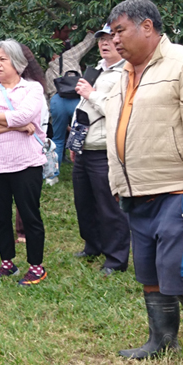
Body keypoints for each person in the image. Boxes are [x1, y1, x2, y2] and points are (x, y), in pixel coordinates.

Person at [103, 0, 183, 365]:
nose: (115, 40)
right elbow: (117, 130)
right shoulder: (119, 76)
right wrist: (117, 180)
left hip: (180, 188)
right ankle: (161, 339)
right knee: (149, 270)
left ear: (147, 27)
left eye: (120, 31)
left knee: (180, 269)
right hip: (136, 191)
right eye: (112, 33)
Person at [0, 39, 48, 285]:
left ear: (17, 62)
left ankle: (36, 266)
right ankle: (7, 263)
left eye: (3, 59)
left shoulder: (33, 89)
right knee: (1, 216)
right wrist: (14, 124)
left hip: (26, 163)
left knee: (29, 214)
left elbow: (25, 115)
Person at [71, 25, 130, 276]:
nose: (105, 43)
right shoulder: (96, 69)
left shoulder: (126, 73)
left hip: (104, 149)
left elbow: (119, 111)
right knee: (84, 202)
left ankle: (116, 258)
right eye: (101, 40)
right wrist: (75, 139)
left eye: (109, 39)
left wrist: (92, 94)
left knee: (109, 205)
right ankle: (92, 245)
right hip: (84, 145)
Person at [45, 26, 96, 165]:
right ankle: (84, 166)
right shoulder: (69, 56)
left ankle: (53, 173)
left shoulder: (47, 73)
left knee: (58, 138)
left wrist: (51, 117)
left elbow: (48, 97)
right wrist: (90, 29)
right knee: (82, 135)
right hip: (75, 98)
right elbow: (87, 43)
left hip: (57, 102)